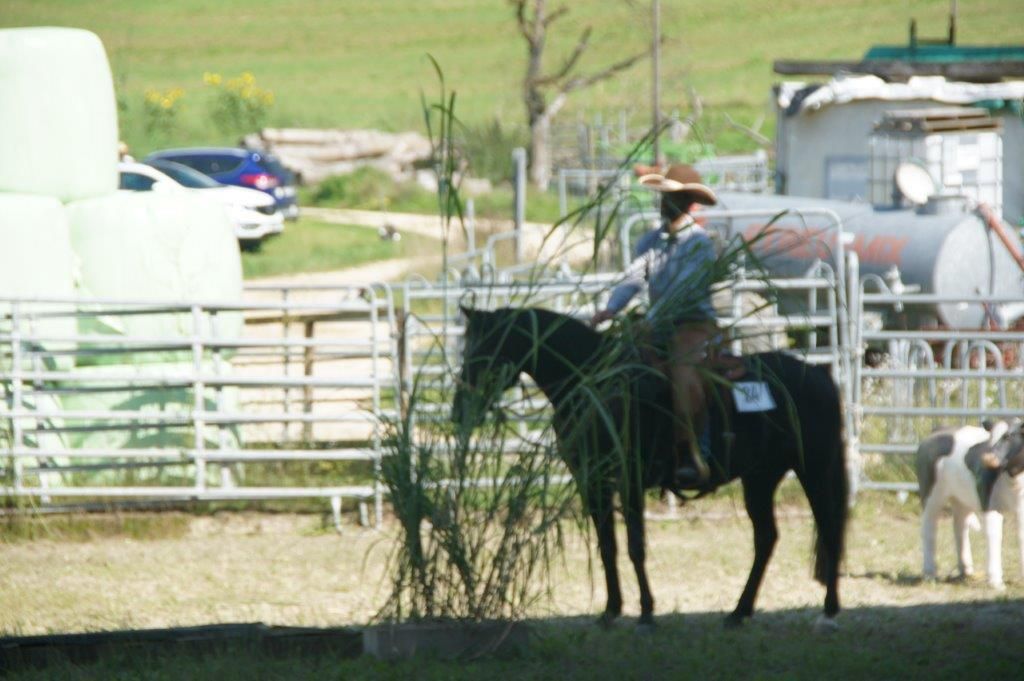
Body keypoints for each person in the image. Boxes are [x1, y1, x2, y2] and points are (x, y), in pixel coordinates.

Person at [590, 163, 719, 489]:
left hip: (692, 325)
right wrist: (611, 308)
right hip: (656, 323)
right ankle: (629, 448)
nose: (664, 204)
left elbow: (686, 292)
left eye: (672, 197)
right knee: (619, 366)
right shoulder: (651, 241)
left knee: (684, 376)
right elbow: (634, 277)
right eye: (663, 196)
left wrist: (650, 319)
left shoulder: (699, 245)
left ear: (689, 201)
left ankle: (692, 451)